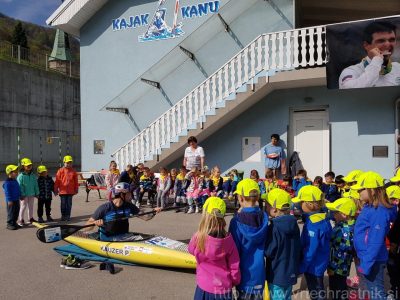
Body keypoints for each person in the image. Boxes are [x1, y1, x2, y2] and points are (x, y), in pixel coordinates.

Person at [352, 171, 397, 300]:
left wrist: (366, 264)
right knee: (373, 290)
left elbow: (375, 241)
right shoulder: (371, 207)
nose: (358, 192)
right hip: (369, 257)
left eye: (361, 189)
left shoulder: (379, 212)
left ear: (371, 190)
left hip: (373, 259)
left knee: (376, 292)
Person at [188, 197, 241, 300]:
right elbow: (234, 266)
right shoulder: (228, 240)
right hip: (223, 289)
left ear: (205, 216)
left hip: (203, 287)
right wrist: (235, 281)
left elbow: (190, 249)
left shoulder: (198, 237)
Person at [229, 178, 269, 299]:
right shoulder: (264, 218)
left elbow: (233, 251)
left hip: (243, 275)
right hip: (259, 274)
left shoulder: (236, 222)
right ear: (257, 197)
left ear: (240, 198)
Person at [291, 185, 332, 300]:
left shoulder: (313, 226)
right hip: (320, 262)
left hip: (312, 266)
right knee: (318, 288)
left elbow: (311, 249)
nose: (299, 204)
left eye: (301, 202)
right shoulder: (323, 218)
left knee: (316, 291)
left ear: (309, 204)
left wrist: (303, 266)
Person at [87, 182, 161, 241]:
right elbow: (86, 227)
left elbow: (145, 217)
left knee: (147, 238)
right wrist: (94, 223)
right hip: (108, 238)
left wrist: (154, 212)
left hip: (124, 237)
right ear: (122, 194)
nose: (131, 196)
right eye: (129, 193)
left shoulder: (129, 206)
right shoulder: (105, 208)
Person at [339, 21, 400, 89]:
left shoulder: (398, 68)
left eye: (392, 40)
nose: (387, 44)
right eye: (381, 41)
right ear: (366, 45)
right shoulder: (351, 71)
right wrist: (377, 60)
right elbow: (351, 92)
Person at [265, 188, 301, 300]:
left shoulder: (273, 227)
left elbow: (269, 251)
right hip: (291, 272)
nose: (265, 207)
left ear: (274, 209)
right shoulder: (294, 224)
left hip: (276, 274)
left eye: (267, 205)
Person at [325, 197, 357, 300]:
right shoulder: (350, 226)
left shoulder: (343, 229)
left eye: (335, 212)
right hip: (343, 265)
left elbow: (343, 249)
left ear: (344, 214)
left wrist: (332, 267)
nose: (333, 214)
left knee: (337, 288)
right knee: (340, 286)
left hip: (338, 266)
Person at [54, 155, 79, 222]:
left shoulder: (73, 171)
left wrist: (76, 189)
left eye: (70, 163)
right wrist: (55, 189)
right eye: (67, 163)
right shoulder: (60, 171)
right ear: (64, 162)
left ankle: (68, 216)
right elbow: (57, 181)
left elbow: (76, 181)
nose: (68, 164)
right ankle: (63, 216)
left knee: (69, 204)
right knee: (63, 204)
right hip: (62, 192)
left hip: (70, 191)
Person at [386, 185, 400, 300]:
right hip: (390, 244)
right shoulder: (389, 209)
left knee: (394, 268)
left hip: (394, 245)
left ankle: (395, 291)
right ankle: (394, 289)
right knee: (392, 269)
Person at [17, 157, 39, 225]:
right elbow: (20, 186)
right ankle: (21, 220)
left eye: (30, 165)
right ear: (23, 166)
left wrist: (37, 192)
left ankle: (31, 218)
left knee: (31, 206)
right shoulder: (21, 176)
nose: (29, 166)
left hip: (31, 194)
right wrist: (22, 194)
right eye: (27, 165)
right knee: (23, 207)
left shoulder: (33, 175)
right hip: (24, 195)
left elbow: (35, 184)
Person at [3, 165, 20, 230]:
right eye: (15, 171)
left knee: (16, 211)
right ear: (9, 173)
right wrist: (9, 200)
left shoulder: (14, 180)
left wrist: (20, 195)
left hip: (16, 199)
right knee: (11, 212)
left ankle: (14, 222)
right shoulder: (7, 182)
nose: (17, 172)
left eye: (16, 171)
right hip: (11, 201)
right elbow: (7, 192)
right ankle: (9, 224)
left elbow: (18, 189)